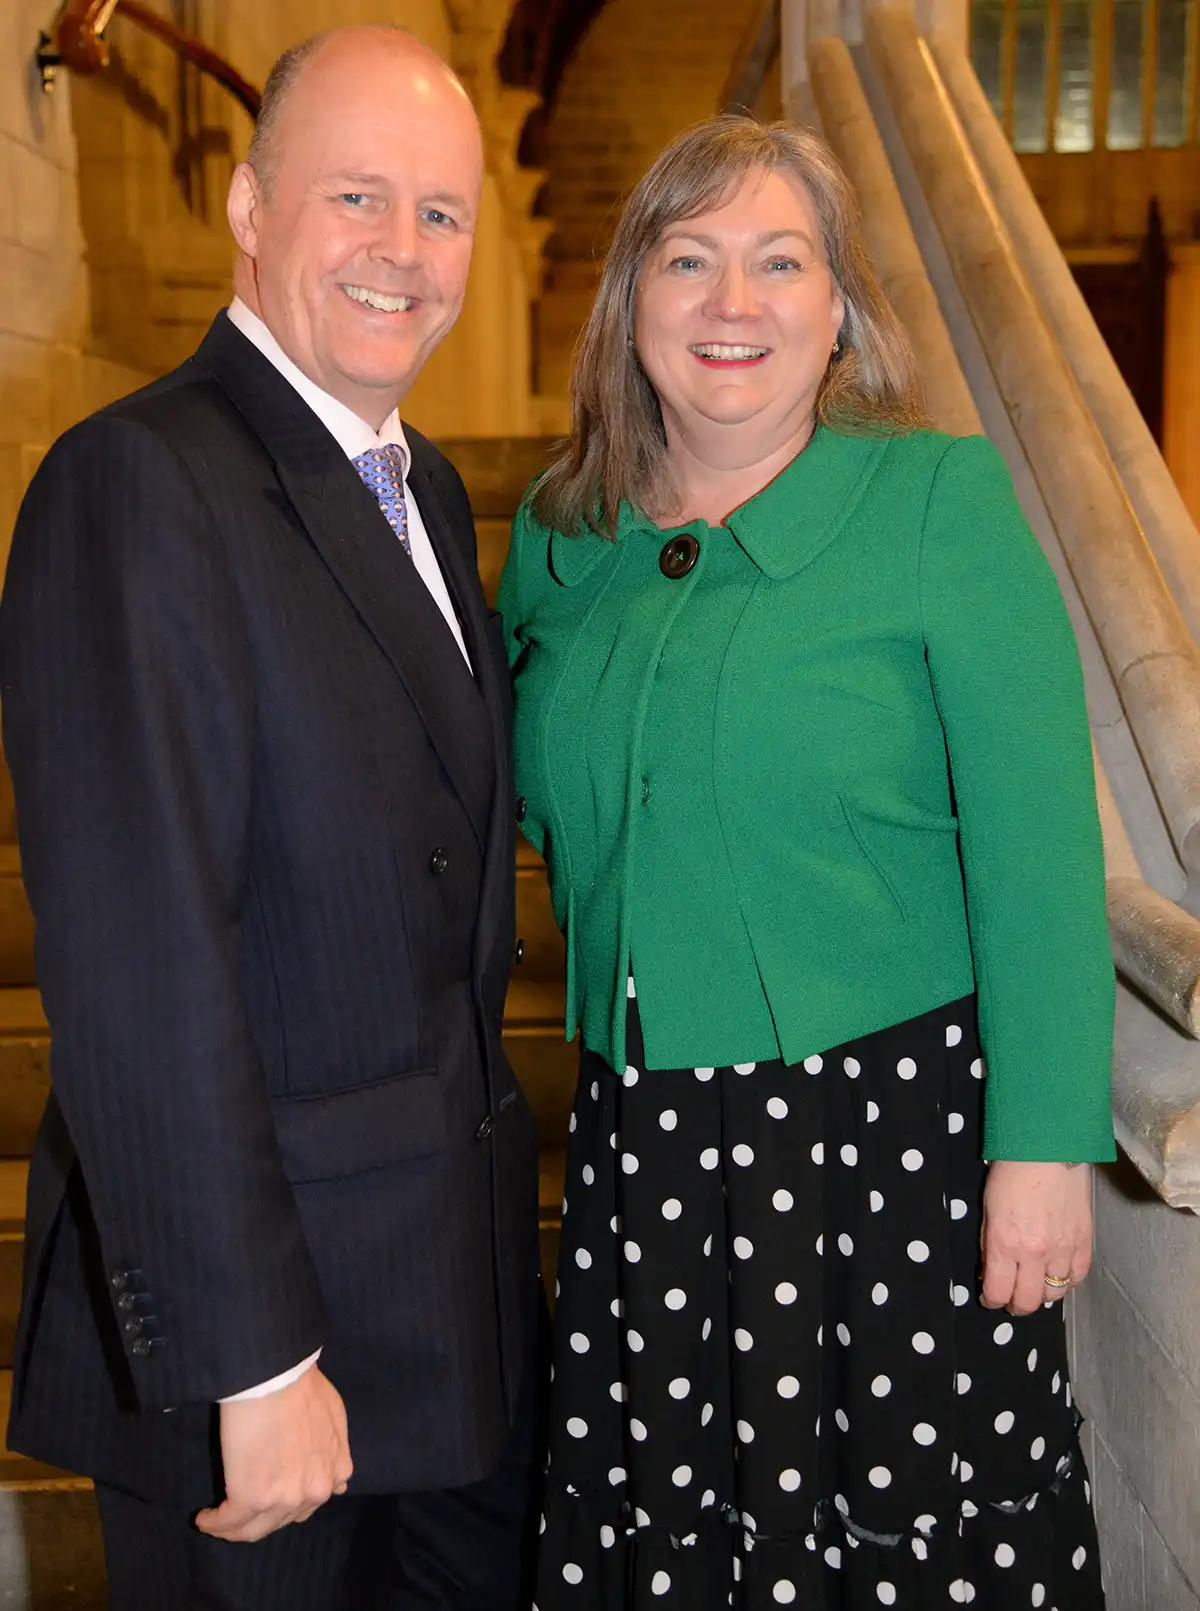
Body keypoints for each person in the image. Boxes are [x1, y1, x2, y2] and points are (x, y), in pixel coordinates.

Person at [498, 115, 1112, 1609]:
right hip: (647, 1141)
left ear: (839, 308)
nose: (733, 302)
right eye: (688, 258)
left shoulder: (936, 508)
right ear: (629, 299)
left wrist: (1044, 1147)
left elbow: (1040, 846)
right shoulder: (558, 534)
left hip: (886, 1145)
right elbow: (533, 803)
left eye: (781, 262)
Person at [0, 25, 540, 1611]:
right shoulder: (135, 484)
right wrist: (251, 1360)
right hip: (275, 1372)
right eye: (356, 198)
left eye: (441, 214)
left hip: (454, 1336)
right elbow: (136, 963)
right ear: (247, 205)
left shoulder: (423, 485)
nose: (404, 253)